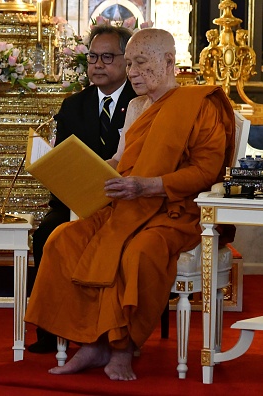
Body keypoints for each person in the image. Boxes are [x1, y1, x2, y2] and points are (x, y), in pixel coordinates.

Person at [25, 28, 235, 380]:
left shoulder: (200, 105)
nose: (132, 71)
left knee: (137, 252)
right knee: (63, 238)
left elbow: (205, 172)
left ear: (168, 62)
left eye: (140, 63)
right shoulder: (137, 106)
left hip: (175, 213)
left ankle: (122, 347)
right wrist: (73, 168)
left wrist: (149, 186)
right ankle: (90, 343)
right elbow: (121, 161)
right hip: (127, 206)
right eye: (130, 63)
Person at [29, 24, 136, 354]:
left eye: (107, 57)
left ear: (126, 61)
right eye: (92, 56)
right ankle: (49, 330)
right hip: (74, 200)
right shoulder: (73, 105)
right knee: (47, 232)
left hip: (124, 202)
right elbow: (63, 161)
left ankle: (117, 332)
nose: (98, 64)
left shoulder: (141, 101)